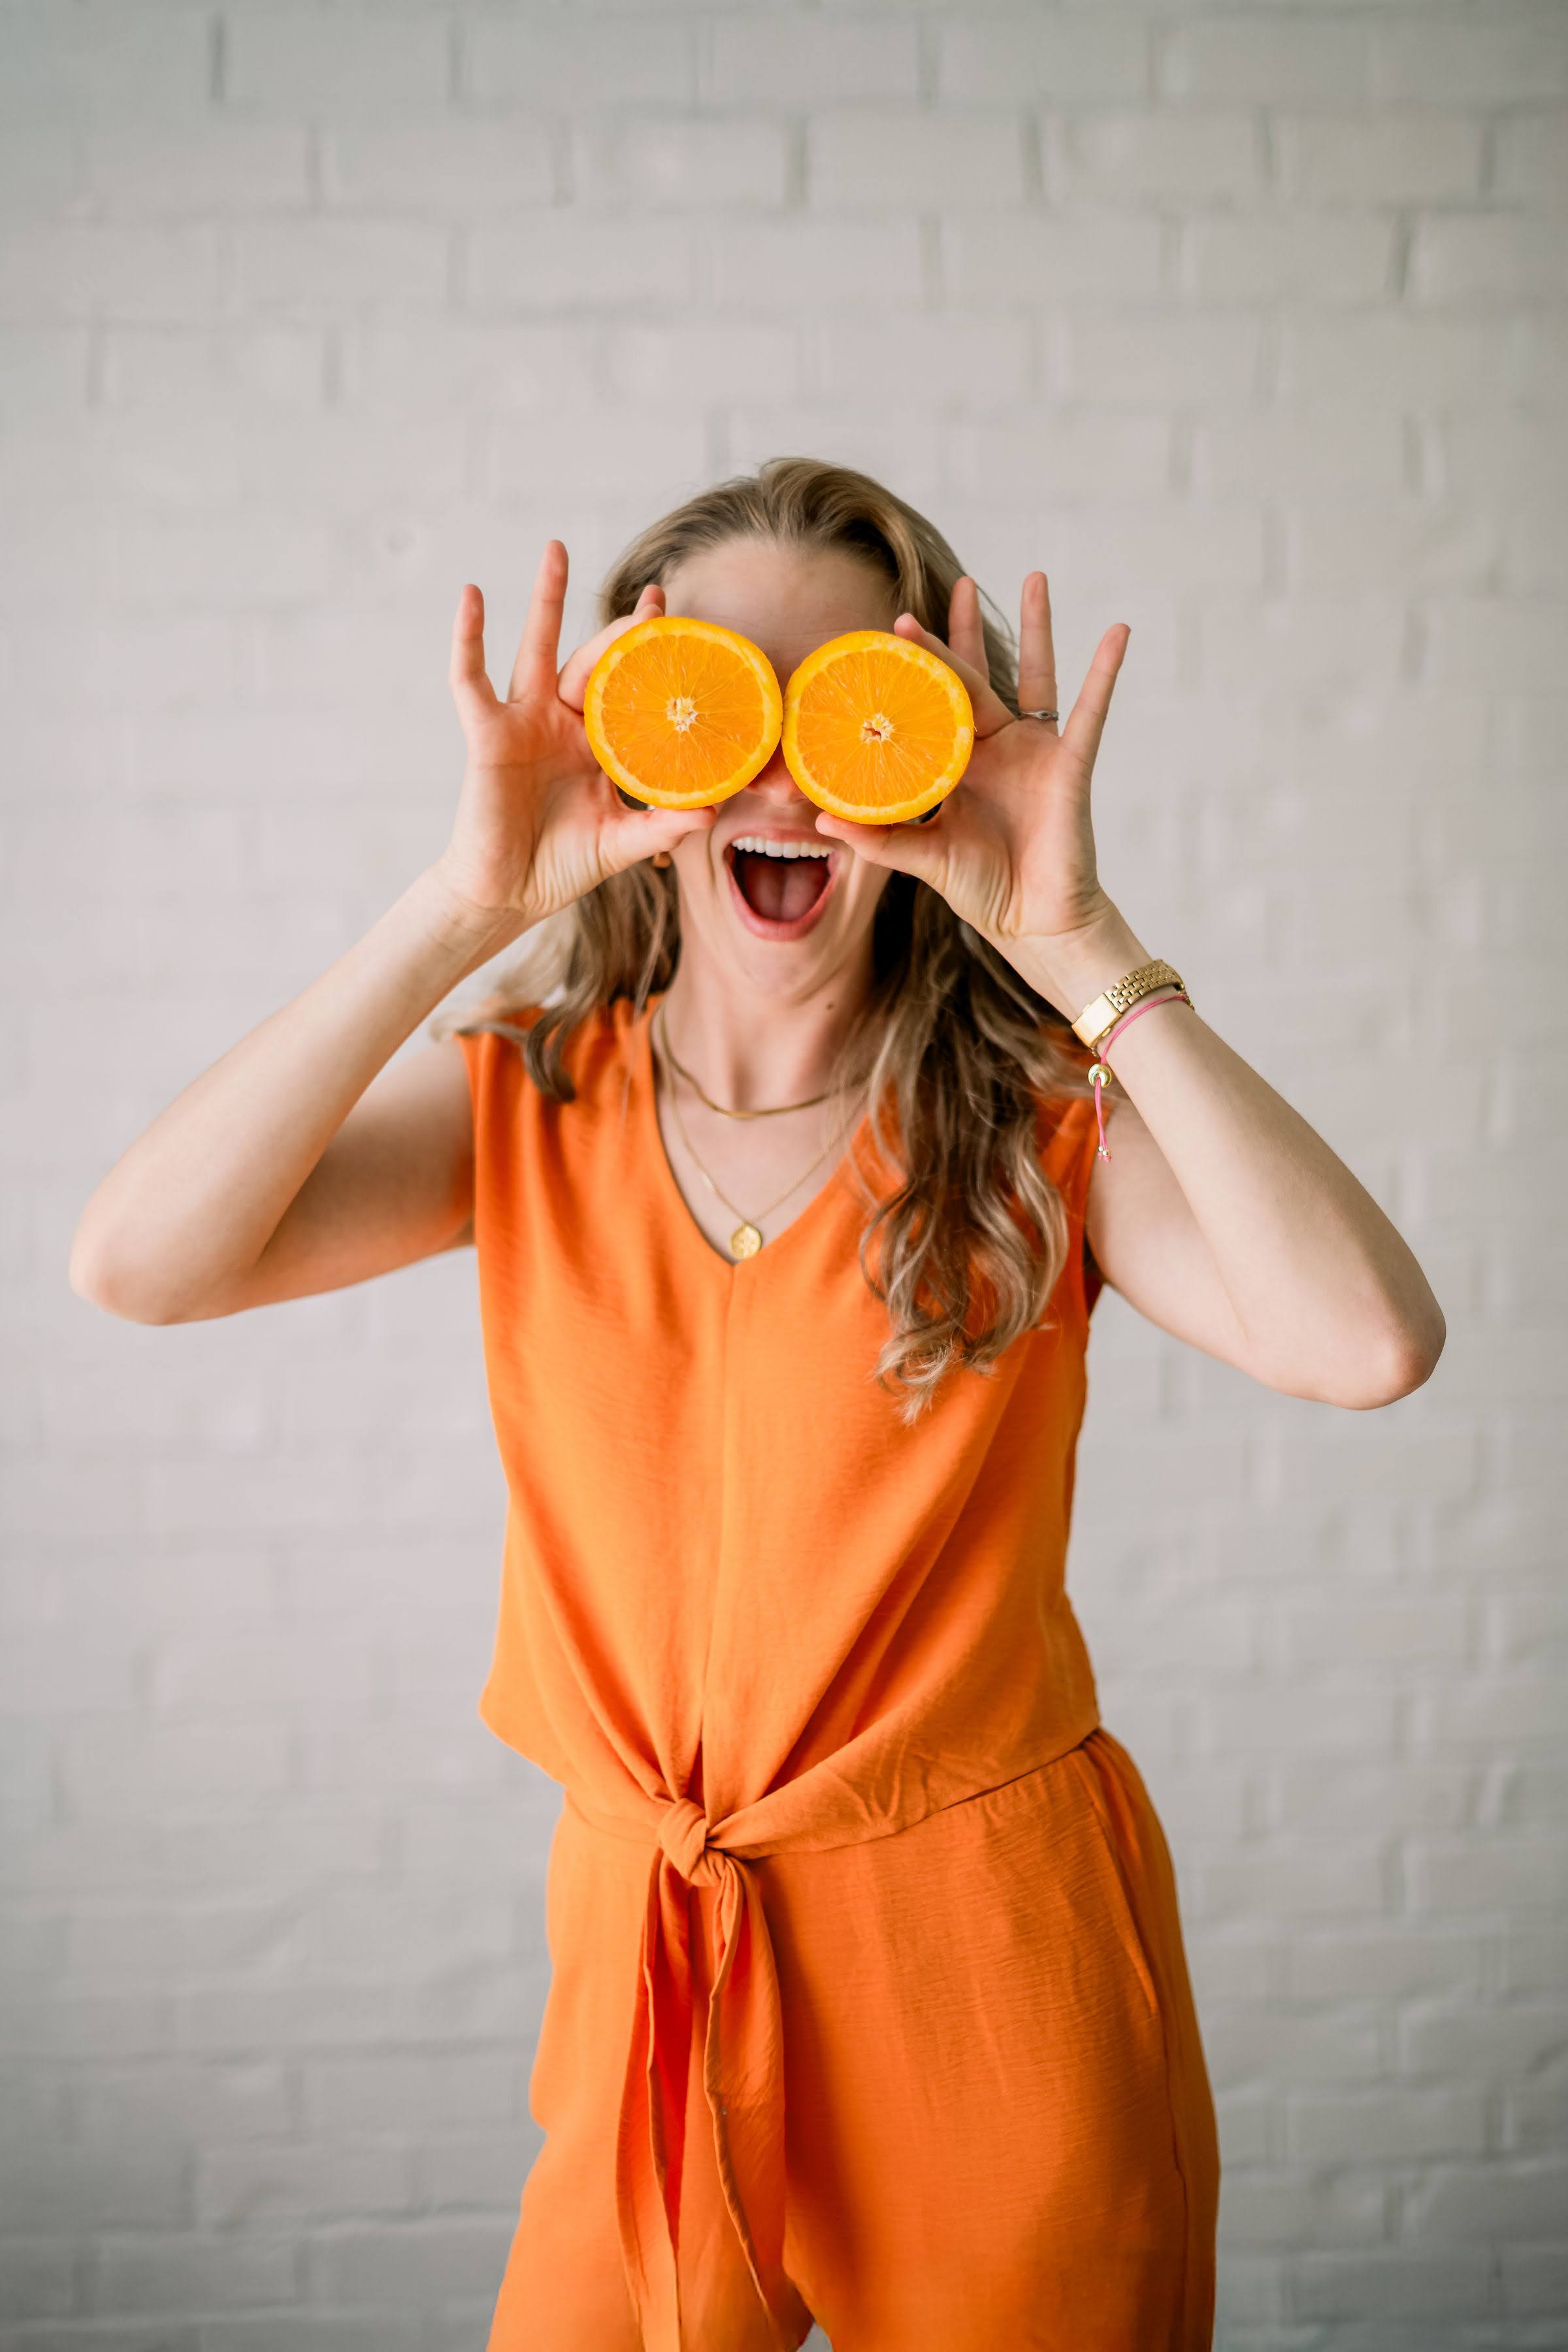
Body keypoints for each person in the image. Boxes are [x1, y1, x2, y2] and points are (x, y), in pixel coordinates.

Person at [71, 457, 1446, 2352]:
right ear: (630, 746)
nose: (781, 768)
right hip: (648, 1955)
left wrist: (1080, 946)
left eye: (846, 701)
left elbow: (1369, 1342)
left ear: (933, 749)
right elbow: (136, 1264)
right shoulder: (528, 1105)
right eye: (712, 697)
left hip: (987, 1976)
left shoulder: (1040, 1135)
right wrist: (462, 898)